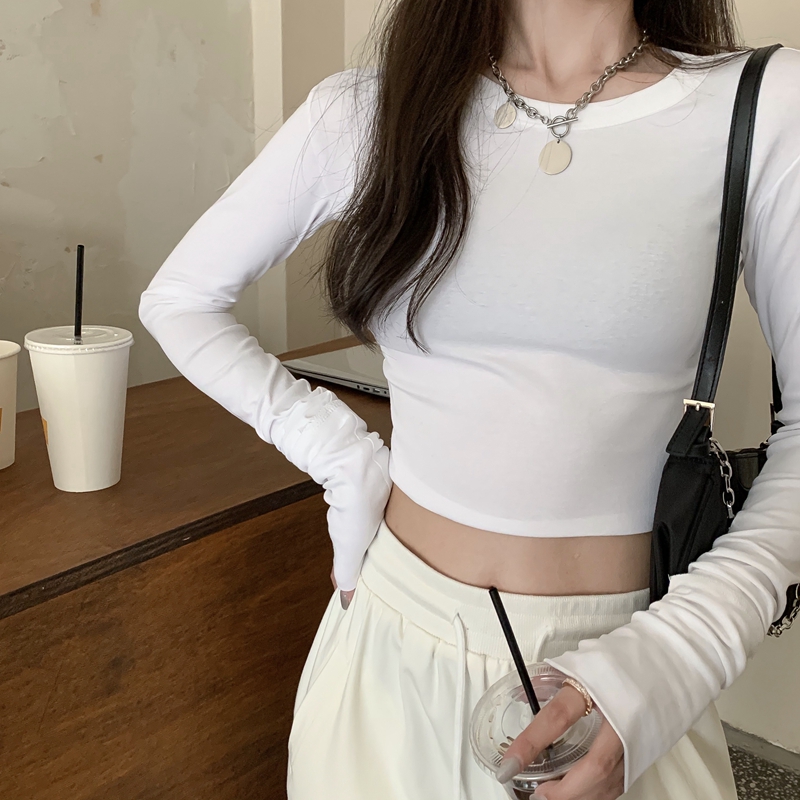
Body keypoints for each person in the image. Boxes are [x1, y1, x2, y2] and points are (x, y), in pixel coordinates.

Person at [138, 1, 800, 798]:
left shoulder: (763, 105)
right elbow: (180, 299)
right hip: (386, 655)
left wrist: (674, 660)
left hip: (626, 680)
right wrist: (341, 456)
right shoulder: (370, 111)